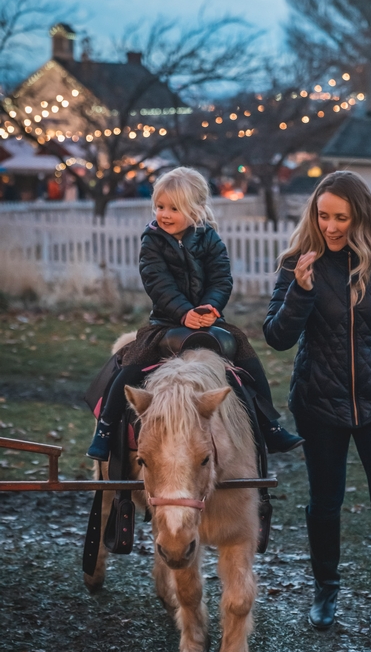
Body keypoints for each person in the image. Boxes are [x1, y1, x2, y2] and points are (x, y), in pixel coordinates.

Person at [263, 170, 371, 652]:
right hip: (319, 403)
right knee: (325, 501)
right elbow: (276, 337)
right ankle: (326, 588)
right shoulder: (300, 260)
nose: (332, 226)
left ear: (360, 215)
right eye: (324, 215)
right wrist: (299, 290)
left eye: (342, 217)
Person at [87, 166, 303, 461]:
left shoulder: (210, 240)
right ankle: (106, 428)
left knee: (246, 358)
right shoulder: (152, 241)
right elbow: (157, 284)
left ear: (196, 210)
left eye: (174, 208)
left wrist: (211, 307)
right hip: (166, 322)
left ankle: (270, 425)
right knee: (132, 365)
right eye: (160, 206)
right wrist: (183, 313)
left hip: (208, 320)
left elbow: (221, 279)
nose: (164, 214)